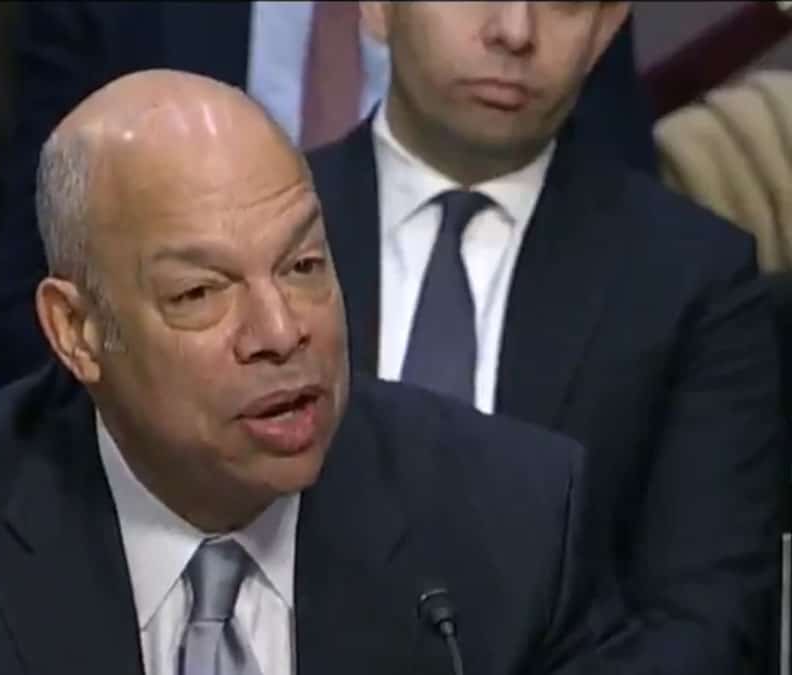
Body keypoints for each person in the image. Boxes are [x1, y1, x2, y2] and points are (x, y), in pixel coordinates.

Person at [0, 70, 631, 675]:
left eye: (303, 266)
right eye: (201, 292)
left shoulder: (509, 528)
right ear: (77, 331)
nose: (281, 332)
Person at [306, 3, 788, 674]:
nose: (515, 31)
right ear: (379, 9)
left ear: (607, 25)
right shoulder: (258, 239)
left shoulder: (693, 280)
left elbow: (708, 626)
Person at [0, 0, 656, 386]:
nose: (515, 32)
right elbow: (23, 313)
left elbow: (627, 295)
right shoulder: (126, 16)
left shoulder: (541, 24)